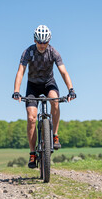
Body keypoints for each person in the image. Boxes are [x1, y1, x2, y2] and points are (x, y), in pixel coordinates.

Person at [12, 25, 76, 168]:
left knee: (55, 100)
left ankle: (55, 135)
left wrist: (71, 89)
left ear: (49, 41)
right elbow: (20, 72)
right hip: (32, 86)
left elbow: (63, 72)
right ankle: (33, 153)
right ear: (35, 40)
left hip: (49, 83)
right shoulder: (28, 52)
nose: (42, 45)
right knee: (31, 117)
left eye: (44, 42)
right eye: (39, 42)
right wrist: (16, 91)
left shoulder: (53, 52)